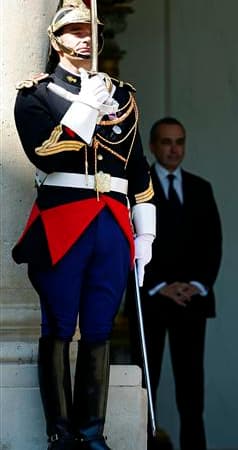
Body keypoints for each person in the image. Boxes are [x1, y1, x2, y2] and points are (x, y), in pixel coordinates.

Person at [13, 1, 156, 448]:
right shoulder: (36, 95)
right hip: (65, 217)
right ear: (56, 39)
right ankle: (60, 432)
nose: (85, 36)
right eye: (74, 29)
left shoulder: (122, 95)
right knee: (58, 323)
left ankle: (92, 432)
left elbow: (137, 168)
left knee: (99, 326)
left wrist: (146, 230)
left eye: (89, 28)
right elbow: (43, 152)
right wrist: (82, 111)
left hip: (112, 220)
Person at [132, 117, 223, 450]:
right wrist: (159, 285)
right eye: (167, 142)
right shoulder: (140, 188)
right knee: (146, 385)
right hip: (152, 301)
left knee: (191, 390)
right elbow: (135, 242)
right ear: (155, 146)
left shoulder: (201, 188)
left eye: (179, 141)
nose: (174, 149)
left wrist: (197, 284)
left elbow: (214, 245)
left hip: (191, 302)